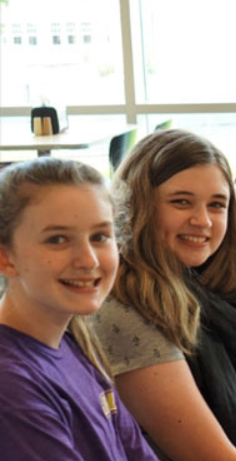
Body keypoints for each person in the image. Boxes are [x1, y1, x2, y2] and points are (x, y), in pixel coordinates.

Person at [93, 129, 236, 461]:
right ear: (140, 205)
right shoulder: (126, 312)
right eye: (181, 201)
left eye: (217, 205)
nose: (202, 221)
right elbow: (215, 457)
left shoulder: (216, 291)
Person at [0, 158, 158, 461]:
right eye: (57, 239)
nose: (88, 260)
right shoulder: (12, 388)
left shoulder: (75, 340)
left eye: (100, 237)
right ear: (6, 257)